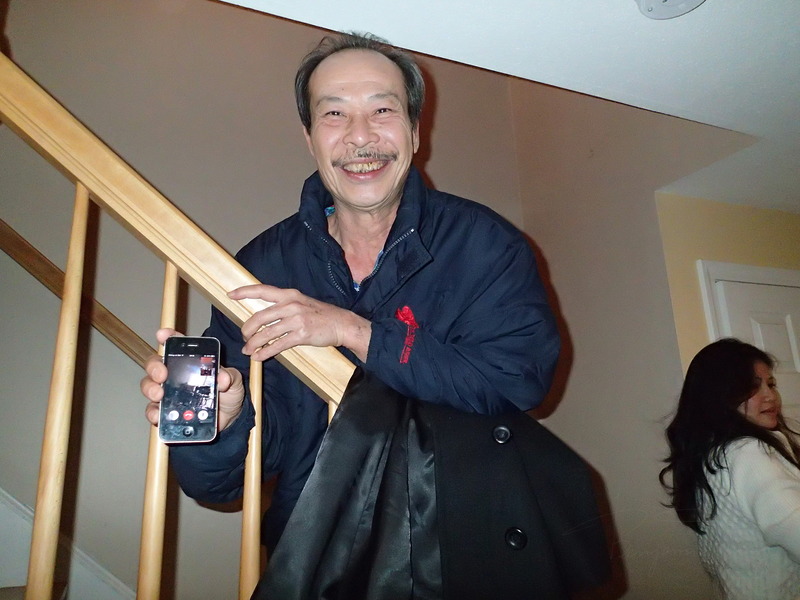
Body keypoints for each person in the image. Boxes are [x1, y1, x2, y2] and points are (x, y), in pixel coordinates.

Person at [140, 32, 560, 555]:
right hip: (316, 559)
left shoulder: (486, 245)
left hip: (461, 550)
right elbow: (217, 484)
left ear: (414, 131)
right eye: (334, 114)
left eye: (382, 110)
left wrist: (353, 331)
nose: (361, 137)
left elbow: (517, 382)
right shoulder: (261, 268)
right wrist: (225, 424)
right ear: (309, 137)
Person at [659, 338, 800, 599]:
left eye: (771, 384)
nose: (770, 395)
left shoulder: (711, 455)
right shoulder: (749, 452)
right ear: (719, 395)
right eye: (752, 386)